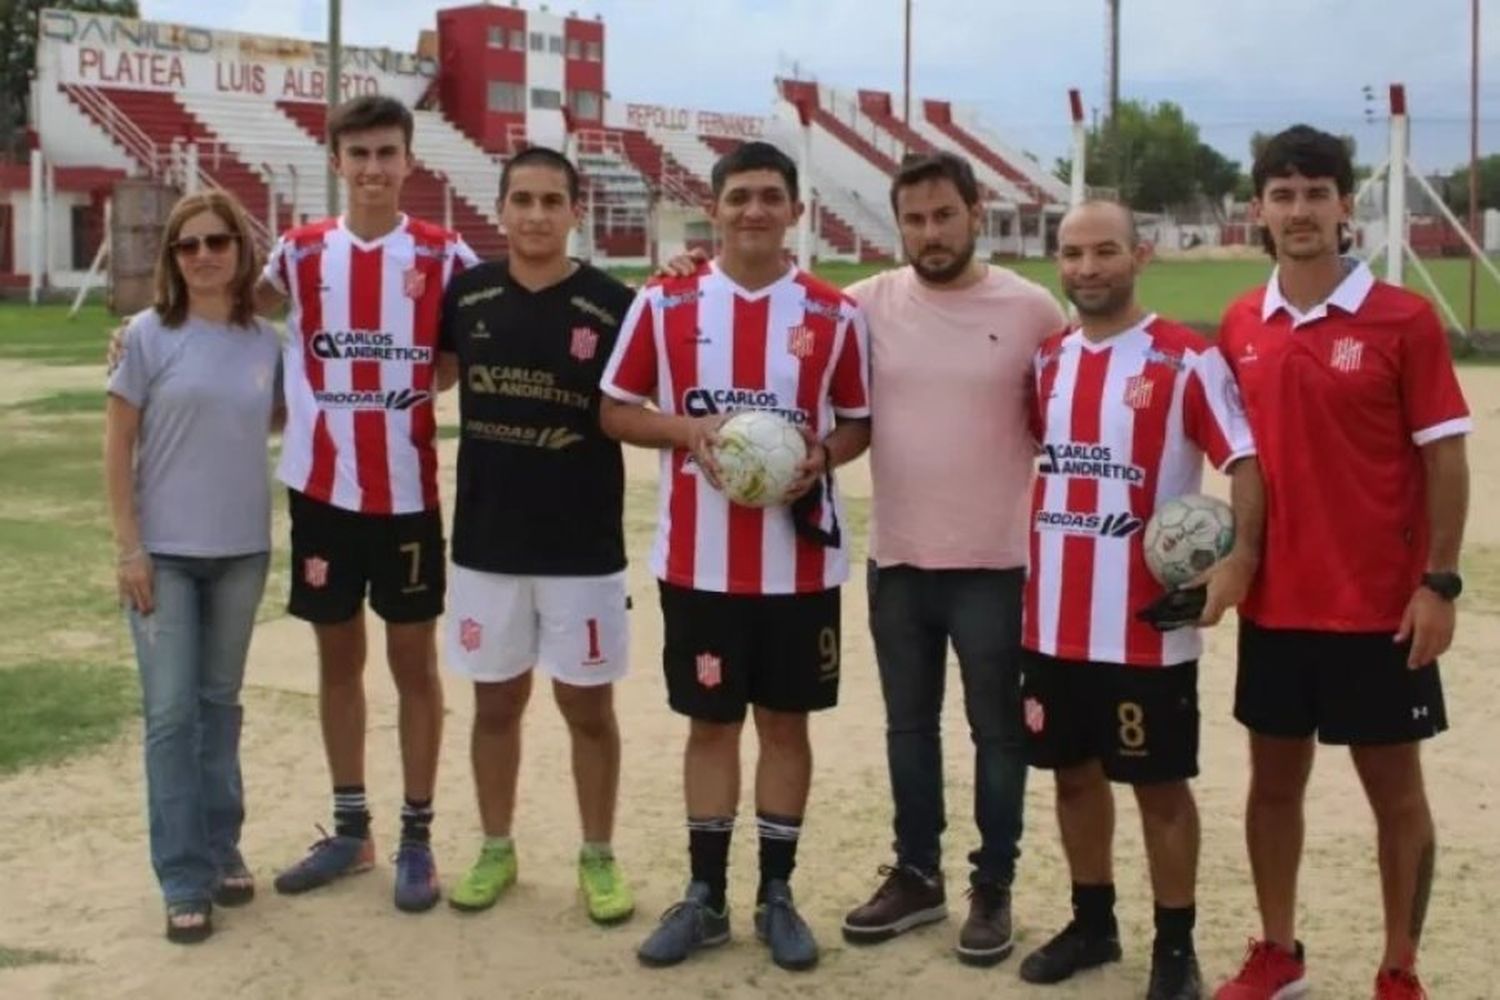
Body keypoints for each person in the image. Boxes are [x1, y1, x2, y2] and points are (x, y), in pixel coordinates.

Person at [599, 140, 872, 972]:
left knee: (785, 727)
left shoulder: (832, 313)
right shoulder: (667, 303)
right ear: (712, 209)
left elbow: (858, 420)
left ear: (795, 210)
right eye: (739, 196)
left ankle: (777, 894)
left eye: (770, 196)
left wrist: (817, 459)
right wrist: (687, 431)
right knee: (710, 724)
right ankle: (707, 896)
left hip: (799, 568)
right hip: (700, 565)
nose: (754, 210)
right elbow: (614, 409)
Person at [1212, 126, 1470, 1000]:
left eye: (1315, 194)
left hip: (1379, 610)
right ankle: (1278, 952)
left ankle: (1400, 967)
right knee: (1271, 787)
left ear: (1344, 207)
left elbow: (1445, 458)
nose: (1299, 211)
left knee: (1395, 794)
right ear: (1258, 210)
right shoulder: (1243, 322)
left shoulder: (1404, 318)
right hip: (1277, 607)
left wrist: (1439, 584)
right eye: (1281, 195)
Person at [1015, 200, 1263, 1000]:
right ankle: (1093, 923)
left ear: (1139, 256)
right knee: (1071, 779)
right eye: (1073, 253)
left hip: (1147, 629)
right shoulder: (1049, 359)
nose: (1087, 267)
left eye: (1105, 251)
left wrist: (1241, 561)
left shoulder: (1187, 358)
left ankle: (1174, 945)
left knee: (1159, 788)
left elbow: (1246, 461)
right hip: (1052, 621)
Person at [839, 151, 1067, 966]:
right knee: (909, 728)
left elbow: (1076, 410)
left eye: (944, 216)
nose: (930, 234)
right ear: (897, 225)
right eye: (914, 220)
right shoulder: (864, 304)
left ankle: (994, 883)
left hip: (997, 565)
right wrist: (687, 266)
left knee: (998, 734)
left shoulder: (1034, 309)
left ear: (976, 212)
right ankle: (915, 873)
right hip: (898, 558)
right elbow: (783, 316)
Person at [263, 94, 478, 913]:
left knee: (413, 663)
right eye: (360, 155)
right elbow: (228, 312)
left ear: (409, 160)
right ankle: (353, 830)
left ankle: (417, 837)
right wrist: (140, 326)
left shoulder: (443, 252)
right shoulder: (299, 252)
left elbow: (459, 355)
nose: (375, 169)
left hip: (407, 492)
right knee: (338, 658)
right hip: (321, 490)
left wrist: (408, 391)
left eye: (388, 153)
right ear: (338, 162)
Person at [436, 146, 636, 924]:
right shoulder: (466, 294)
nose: (536, 215)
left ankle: (598, 853)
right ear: (501, 208)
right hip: (486, 542)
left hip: (582, 545)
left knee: (587, 708)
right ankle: (496, 845)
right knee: (495, 705)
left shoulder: (614, 304)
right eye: (523, 199)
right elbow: (419, 369)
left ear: (576, 211)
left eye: (553, 201)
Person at [104, 190, 282, 943]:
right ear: (172, 259)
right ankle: (183, 876)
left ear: (241, 252)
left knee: (220, 708)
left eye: (218, 242)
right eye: (187, 245)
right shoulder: (144, 338)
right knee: (172, 716)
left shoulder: (267, 342)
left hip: (242, 549)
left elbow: (281, 417)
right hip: (165, 557)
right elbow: (118, 447)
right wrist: (129, 548)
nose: (204, 255)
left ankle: (222, 848)